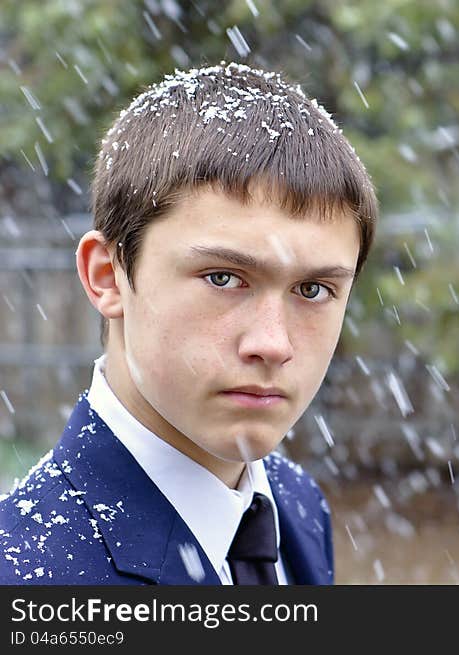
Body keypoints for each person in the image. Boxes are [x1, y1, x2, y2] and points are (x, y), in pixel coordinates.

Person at [0, 61, 377, 585]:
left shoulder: (297, 506)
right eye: (224, 278)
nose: (272, 343)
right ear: (108, 276)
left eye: (313, 290)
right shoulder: (26, 574)